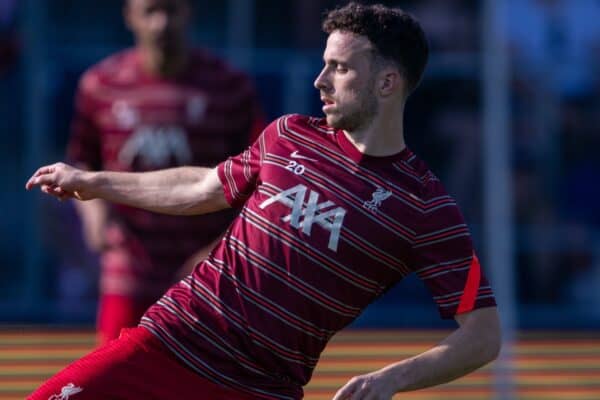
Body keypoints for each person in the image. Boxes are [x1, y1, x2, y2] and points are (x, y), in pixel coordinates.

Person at [26, 3, 501, 399]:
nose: (320, 81)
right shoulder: (288, 134)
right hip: (169, 344)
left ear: (386, 83)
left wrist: (390, 379)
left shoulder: (426, 207)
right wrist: (94, 182)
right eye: (323, 64)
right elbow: (202, 187)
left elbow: (483, 336)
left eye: (339, 68)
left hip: (261, 389)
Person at [67, 0, 264, 344]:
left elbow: (260, 179)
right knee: (115, 377)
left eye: (170, 10)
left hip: (206, 269)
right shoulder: (100, 85)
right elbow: (83, 159)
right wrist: (94, 215)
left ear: (188, 12)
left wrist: (223, 248)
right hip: (130, 266)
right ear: (130, 16)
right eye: (150, 11)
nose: (161, 23)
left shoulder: (229, 87)